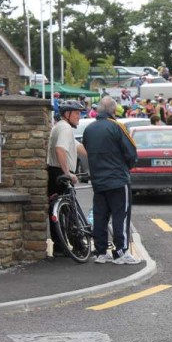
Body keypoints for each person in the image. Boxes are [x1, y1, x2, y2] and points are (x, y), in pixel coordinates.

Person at [82, 96, 140, 265]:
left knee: (100, 216)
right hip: (117, 179)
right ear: (114, 111)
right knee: (120, 216)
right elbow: (131, 153)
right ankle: (120, 252)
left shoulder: (89, 129)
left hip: (98, 179)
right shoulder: (117, 127)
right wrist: (126, 167)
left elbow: (87, 148)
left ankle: (100, 252)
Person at [46, 100, 87, 256]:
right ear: (67, 114)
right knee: (69, 210)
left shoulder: (61, 126)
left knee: (58, 210)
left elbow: (77, 147)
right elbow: (60, 149)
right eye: (76, 113)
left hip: (54, 172)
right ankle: (77, 246)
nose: (79, 117)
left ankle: (60, 247)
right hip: (60, 172)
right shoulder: (65, 128)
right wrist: (67, 173)